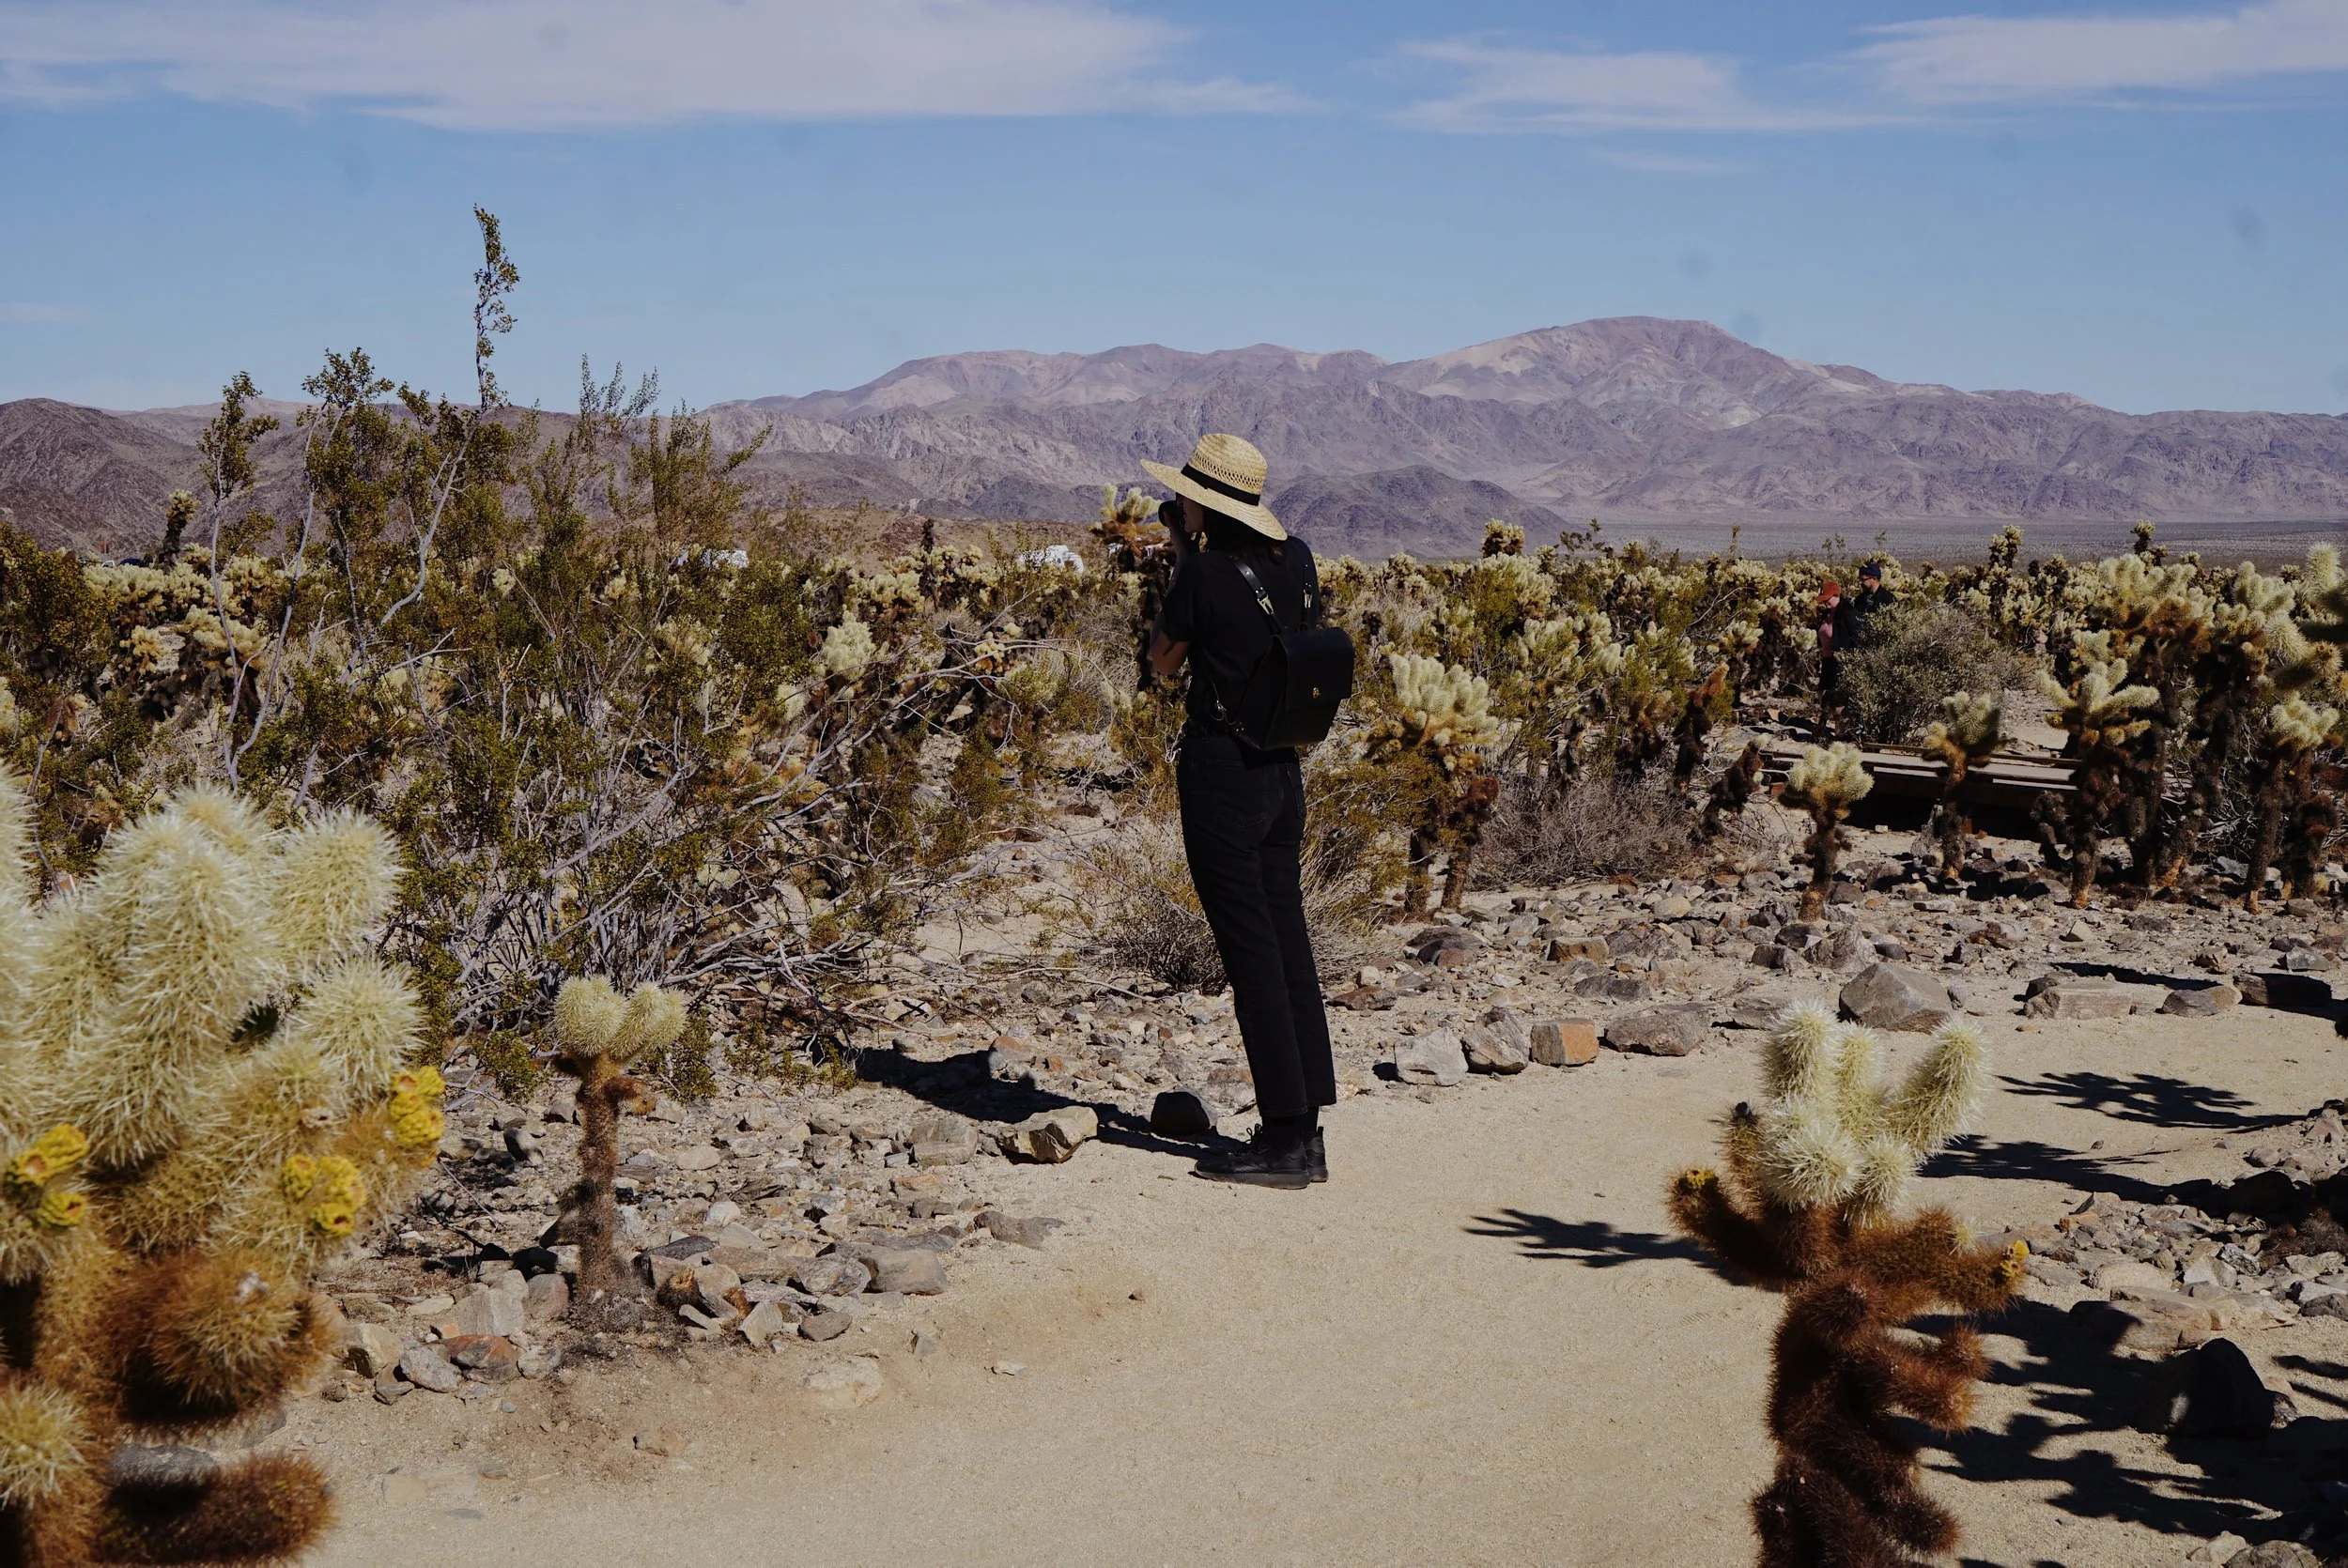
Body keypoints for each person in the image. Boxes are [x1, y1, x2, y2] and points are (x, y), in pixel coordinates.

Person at [1142, 434, 1333, 1191]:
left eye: (1186, 495)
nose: (1179, 504)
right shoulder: (1300, 559)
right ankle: (1306, 1134)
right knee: (1287, 944)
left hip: (1223, 772)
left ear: (1203, 503)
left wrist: (1180, 564)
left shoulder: (1205, 573)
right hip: (1283, 769)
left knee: (1251, 951)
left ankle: (1282, 1141)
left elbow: (1163, 661)